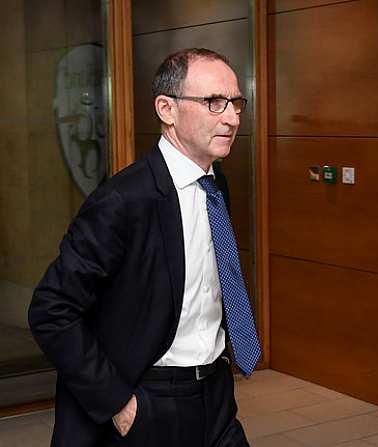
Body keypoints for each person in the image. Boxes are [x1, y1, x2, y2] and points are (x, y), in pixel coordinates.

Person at [29, 48, 260, 447]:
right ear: (166, 109)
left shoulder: (215, 186)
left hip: (216, 393)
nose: (232, 118)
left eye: (236, 102)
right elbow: (52, 310)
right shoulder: (122, 201)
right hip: (149, 400)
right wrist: (119, 404)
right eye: (214, 102)